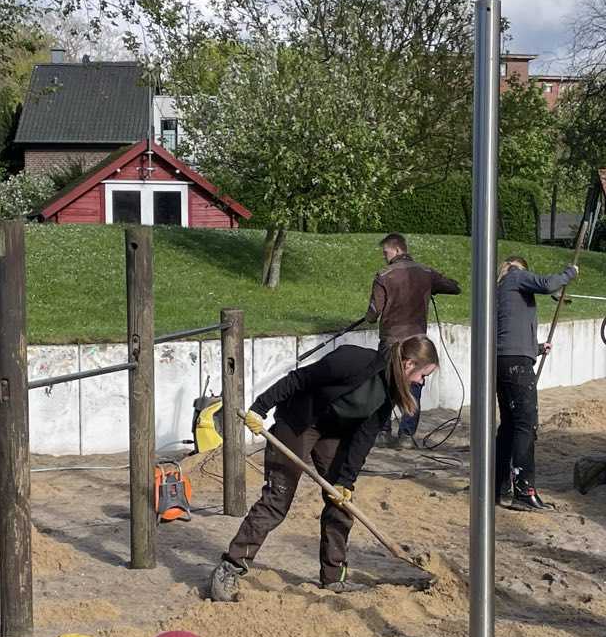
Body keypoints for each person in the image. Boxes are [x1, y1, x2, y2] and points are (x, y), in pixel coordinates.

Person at [208, 336, 441, 600]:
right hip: (298, 423)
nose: (421, 382)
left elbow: (362, 440)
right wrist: (259, 408)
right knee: (277, 501)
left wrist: (346, 482)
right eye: (424, 375)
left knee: (341, 503)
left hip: (333, 434)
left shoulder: (389, 393)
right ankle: (231, 565)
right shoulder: (353, 361)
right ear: (409, 364)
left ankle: (333, 578)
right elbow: (298, 379)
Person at [493, 254, 577, 510]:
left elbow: (509, 330)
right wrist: (569, 273)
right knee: (525, 426)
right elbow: (547, 284)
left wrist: (537, 348)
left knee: (509, 425)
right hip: (517, 365)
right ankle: (524, 490)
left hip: (502, 361)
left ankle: (497, 485)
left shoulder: (499, 290)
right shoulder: (516, 276)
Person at [361, 233, 458, 444]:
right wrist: (431, 288)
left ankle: (382, 432)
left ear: (396, 250)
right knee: (414, 386)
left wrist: (369, 315)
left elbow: (372, 313)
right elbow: (454, 287)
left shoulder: (384, 275)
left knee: (386, 384)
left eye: (385, 252)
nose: (384, 256)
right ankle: (406, 436)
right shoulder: (425, 272)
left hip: (391, 340)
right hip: (417, 343)